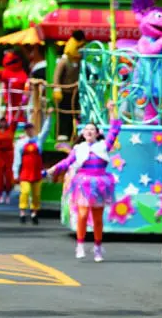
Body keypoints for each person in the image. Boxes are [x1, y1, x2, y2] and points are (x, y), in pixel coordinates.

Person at [46, 100, 120, 262]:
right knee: (83, 214)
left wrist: (112, 110)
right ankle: (80, 245)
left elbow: (115, 129)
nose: (88, 131)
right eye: (86, 129)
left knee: (98, 219)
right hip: (83, 184)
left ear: (97, 133)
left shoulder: (103, 146)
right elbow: (67, 162)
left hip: (100, 183)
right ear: (83, 133)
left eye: (92, 129)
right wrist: (53, 169)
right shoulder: (79, 149)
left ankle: (98, 247)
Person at [14, 113, 52, 224]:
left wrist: (48, 117)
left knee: (36, 194)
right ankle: (22, 212)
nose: (29, 131)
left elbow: (46, 130)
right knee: (24, 192)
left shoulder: (38, 140)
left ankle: (34, 213)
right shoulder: (20, 143)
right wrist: (15, 173)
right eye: (27, 129)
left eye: (31, 129)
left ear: (33, 130)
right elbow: (17, 158)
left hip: (36, 171)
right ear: (25, 131)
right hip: (25, 172)